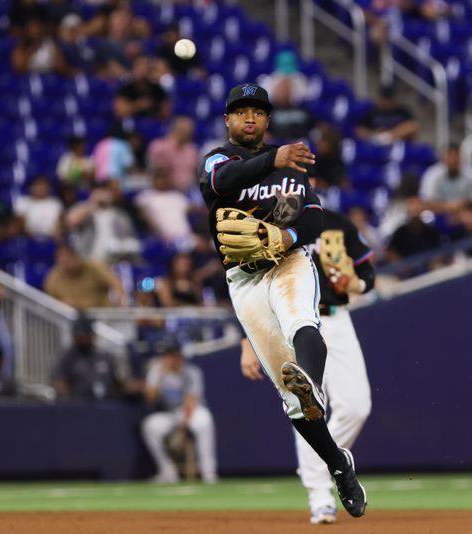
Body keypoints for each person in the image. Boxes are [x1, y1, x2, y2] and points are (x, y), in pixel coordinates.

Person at [197, 83, 367, 518]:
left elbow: (313, 215)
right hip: (243, 280)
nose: (249, 117)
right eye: (241, 111)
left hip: (288, 261)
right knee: (292, 403)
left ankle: (309, 383)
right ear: (228, 121)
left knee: (301, 324)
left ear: (267, 120)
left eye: (258, 111)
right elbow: (218, 182)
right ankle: (337, 463)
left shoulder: (290, 166)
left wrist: (287, 235)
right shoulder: (220, 159)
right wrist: (273, 158)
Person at [240, 208, 375, 524]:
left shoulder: (338, 223)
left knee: (357, 406)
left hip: (335, 318)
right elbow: (248, 285)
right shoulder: (269, 223)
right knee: (306, 404)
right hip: (289, 322)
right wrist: (246, 340)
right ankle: (319, 497)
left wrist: (354, 283)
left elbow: (367, 277)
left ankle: (321, 461)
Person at [141, 339, 218, 483]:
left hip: (190, 412)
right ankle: (167, 470)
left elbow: (191, 401)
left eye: (172, 354)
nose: (169, 358)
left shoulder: (191, 371)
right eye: (166, 355)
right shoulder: (156, 370)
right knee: (149, 426)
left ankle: (209, 472)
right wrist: (160, 376)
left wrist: (183, 427)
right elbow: (150, 399)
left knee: (205, 420)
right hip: (169, 414)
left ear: (179, 355)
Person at [51, 315, 136, 400]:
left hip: (107, 405)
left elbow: (120, 382)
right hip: (78, 406)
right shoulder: (66, 358)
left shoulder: (105, 356)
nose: (84, 339)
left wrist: (130, 388)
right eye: (81, 336)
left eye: (87, 336)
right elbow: (59, 383)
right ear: (75, 336)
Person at [65, 180, 141, 265]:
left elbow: (130, 241)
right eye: (100, 191)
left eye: (106, 191)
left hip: (115, 262)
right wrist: (93, 202)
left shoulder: (121, 215)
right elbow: (71, 221)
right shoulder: (85, 210)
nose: (103, 194)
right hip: (90, 261)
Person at [43, 243, 125, 309]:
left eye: (69, 257)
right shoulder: (53, 277)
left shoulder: (94, 267)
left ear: (77, 256)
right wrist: (63, 305)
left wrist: (122, 304)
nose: (65, 261)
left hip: (99, 317)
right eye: (61, 258)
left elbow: (116, 283)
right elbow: (49, 304)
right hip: (69, 322)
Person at [135, 165, 194, 246]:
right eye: (159, 177)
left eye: (164, 178)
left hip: (187, 238)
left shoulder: (177, 196)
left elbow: (196, 209)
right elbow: (143, 216)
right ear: (153, 179)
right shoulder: (145, 197)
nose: (162, 181)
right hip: (162, 240)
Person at [419, 144, 472, 215]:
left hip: (466, 215)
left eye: (455, 157)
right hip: (439, 215)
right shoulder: (432, 174)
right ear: (443, 158)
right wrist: (448, 206)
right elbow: (426, 202)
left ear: (461, 158)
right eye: (449, 157)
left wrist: (464, 204)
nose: (452, 161)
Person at [146, 116, 199, 192]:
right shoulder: (158, 147)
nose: (187, 134)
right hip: (166, 190)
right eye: (183, 131)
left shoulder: (192, 150)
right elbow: (156, 172)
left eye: (189, 132)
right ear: (175, 129)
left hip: (189, 191)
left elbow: (195, 173)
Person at [354, 85, 419, 144]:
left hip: (398, 144)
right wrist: (373, 133)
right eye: (385, 100)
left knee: (411, 126)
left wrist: (389, 134)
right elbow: (359, 130)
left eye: (389, 101)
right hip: (377, 144)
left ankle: (384, 138)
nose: (387, 103)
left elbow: (413, 126)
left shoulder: (402, 111)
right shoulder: (373, 111)